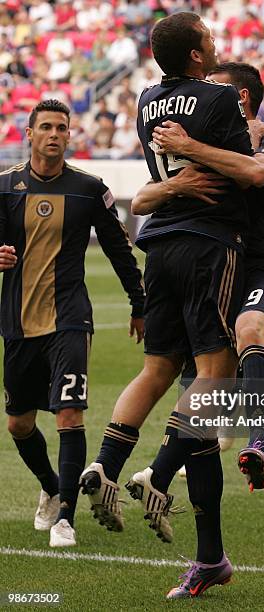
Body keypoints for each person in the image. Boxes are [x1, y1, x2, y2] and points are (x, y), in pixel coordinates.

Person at [80, 12, 253, 599]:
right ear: (200, 56)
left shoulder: (147, 100)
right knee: (215, 376)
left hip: (160, 243)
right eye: (209, 36)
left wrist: (181, 163)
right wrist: (206, 147)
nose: (215, 40)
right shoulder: (224, 100)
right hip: (210, 244)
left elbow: (162, 172)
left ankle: (104, 459)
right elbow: (240, 169)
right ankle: (160, 467)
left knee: (156, 368)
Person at [0, 99, 144, 548]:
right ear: (29, 134)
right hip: (19, 321)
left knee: (69, 413)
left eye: (61, 127)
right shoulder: (5, 187)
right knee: (19, 424)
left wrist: (138, 303)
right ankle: (50, 484)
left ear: (69, 134)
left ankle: (66, 517)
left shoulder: (88, 189)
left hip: (71, 319)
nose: (54, 134)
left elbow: (120, 249)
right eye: (45, 127)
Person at [145, 61, 264, 492]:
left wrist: (191, 145)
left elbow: (258, 172)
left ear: (240, 97)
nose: (205, 94)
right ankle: (169, 469)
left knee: (249, 329)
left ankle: (259, 444)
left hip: (259, 264)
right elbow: (142, 198)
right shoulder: (198, 144)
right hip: (211, 259)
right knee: (199, 368)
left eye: (215, 88)